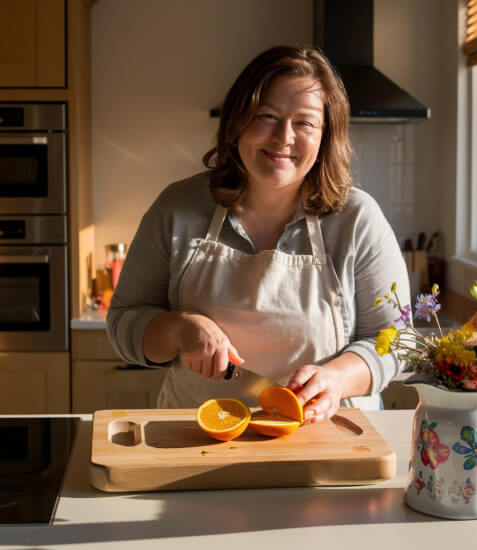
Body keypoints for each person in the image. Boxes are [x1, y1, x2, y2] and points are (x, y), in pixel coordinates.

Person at [107, 45, 410, 422]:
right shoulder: (177, 208)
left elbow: (398, 343)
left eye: (305, 123)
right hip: (196, 441)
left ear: (325, 136)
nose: (284, 137)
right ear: (237, 122)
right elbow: (122, 323)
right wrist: (179, 328)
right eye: (267, 116)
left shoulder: (357, 219)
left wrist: (337, 378)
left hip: (330, 445)